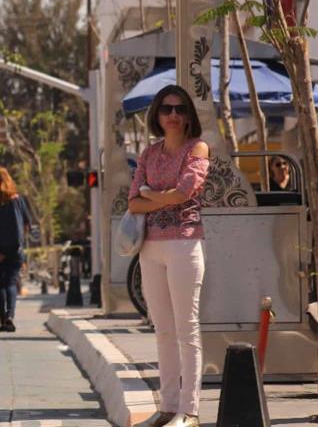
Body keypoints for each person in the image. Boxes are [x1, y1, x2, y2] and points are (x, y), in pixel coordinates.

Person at [128, 85, 210, 427]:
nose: (173, 115)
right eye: (166, 109)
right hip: (150, 248)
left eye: (179, 109)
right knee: (162, 329)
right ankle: (167, 407)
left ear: (189, 114)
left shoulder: (198, 148)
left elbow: (185, 193)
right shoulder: (149, 153)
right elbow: (133, 202)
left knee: (186, 329)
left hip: (185, 245)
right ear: (157, 115)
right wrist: (158, 195)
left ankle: (188, 411)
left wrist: (152, 193)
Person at [0, 166, 31, 333]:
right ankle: (10, 316)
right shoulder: (18, 199)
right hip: (15, 249)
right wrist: (20, 244)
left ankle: (3, 320)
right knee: (11, 282)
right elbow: (26, 224)